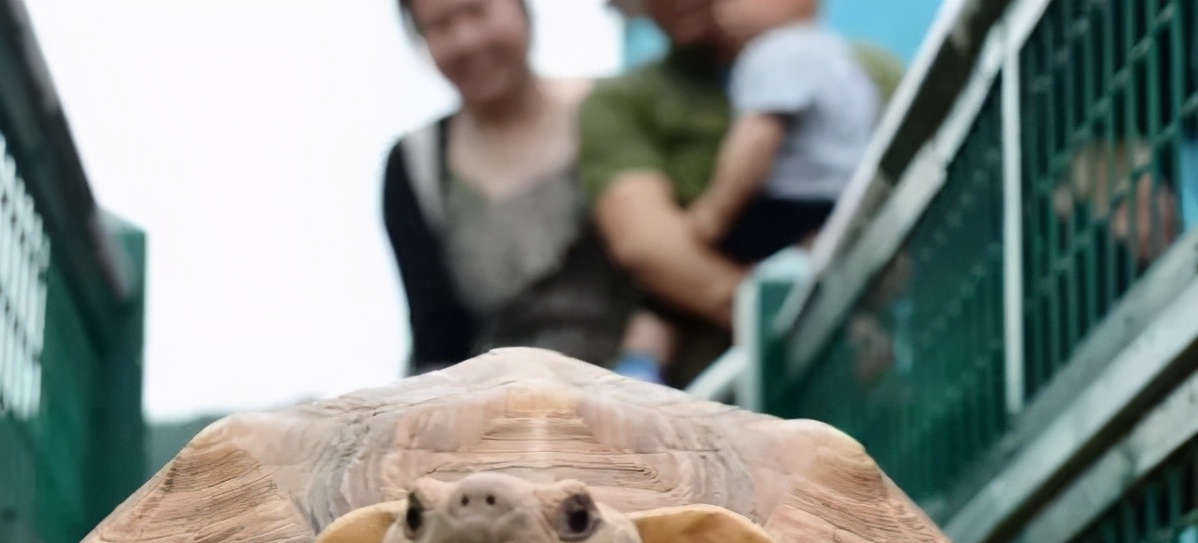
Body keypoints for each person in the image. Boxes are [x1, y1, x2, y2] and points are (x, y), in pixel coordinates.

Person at [583, 0, 895, 385]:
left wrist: (710, 219)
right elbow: (647, 245)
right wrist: (807, 327)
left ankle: (643, 358)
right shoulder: (626, 101)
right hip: (713, 385)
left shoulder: (815, 61)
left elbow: (754, 148)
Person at [383, 0, 633, 374]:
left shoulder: (612, 111)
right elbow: (435, 332)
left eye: (477, 12)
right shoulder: (415, 163)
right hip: (495, 407)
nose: (466, 40)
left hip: (646, 387)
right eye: (441, 26)